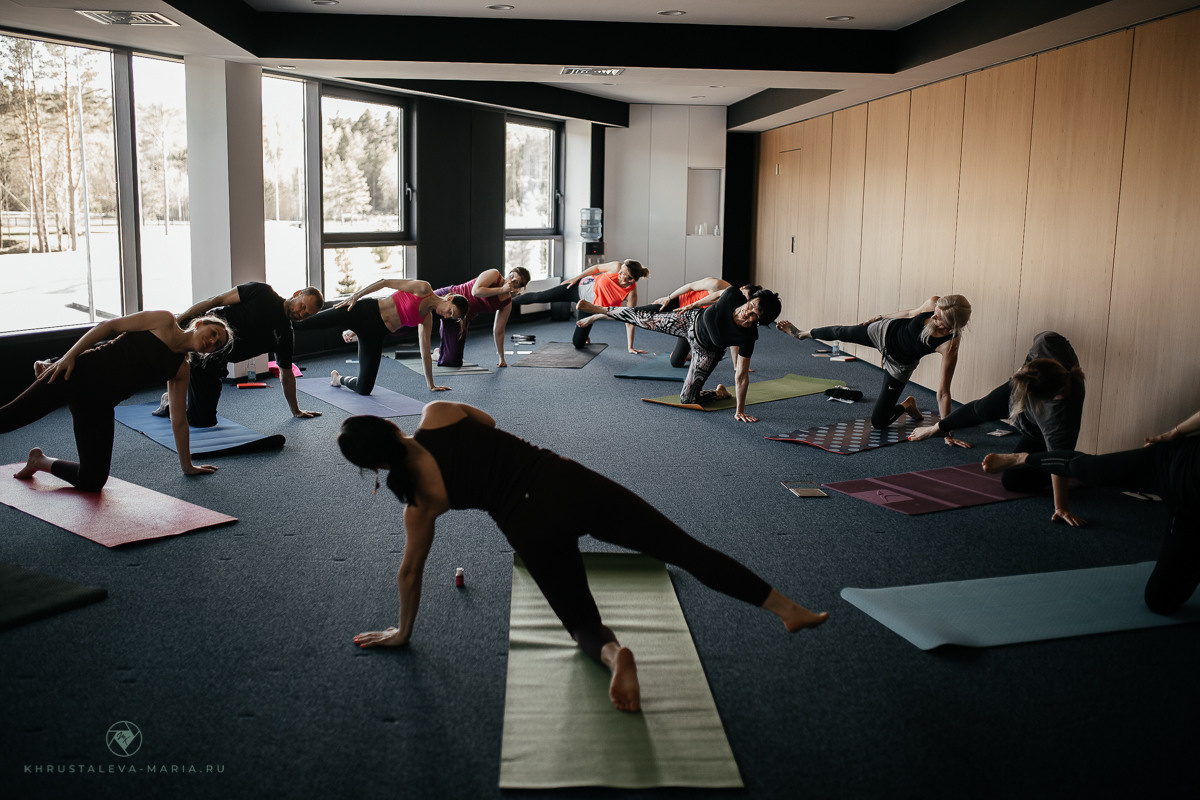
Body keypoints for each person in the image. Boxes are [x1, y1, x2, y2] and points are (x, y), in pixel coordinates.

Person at [337, 401, 828, 712]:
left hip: (529, 526)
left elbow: (410, 573)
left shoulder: (420, 504)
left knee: (582, 624)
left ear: (375, 467)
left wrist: (403, 632)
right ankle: (789, 610)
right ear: (387, 423)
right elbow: (489, 422)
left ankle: (615, 656)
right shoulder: (438, 413)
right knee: (685, 550)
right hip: (569, 482)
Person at [982, 407, 1200, 614]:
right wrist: (1176, 432)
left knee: (1160, 601)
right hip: (1174, 462)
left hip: (1190, 507)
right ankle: (1023, 458)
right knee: (1090, 468)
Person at [5, 311, 233, 490]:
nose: (212, 341)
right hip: (74, 376)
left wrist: (187, 466)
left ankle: (39, 461)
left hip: (99, 406)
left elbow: (179, 420)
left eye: (217, 344)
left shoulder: (180, 369)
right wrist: (68, 357)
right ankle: (49, 362)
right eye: (213, 333)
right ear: (200, 324)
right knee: (8, 419)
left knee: (92, 481)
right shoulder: (164, 321)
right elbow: (109, 326)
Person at [910, 331, 1087, 526]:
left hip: (1038, 435)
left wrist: (1061, 507)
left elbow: (1058, 458)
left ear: (1038, 399)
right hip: (1028, 381)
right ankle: (938, 428)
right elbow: (1044, 336)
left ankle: (1078, 466)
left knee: (1013, 481)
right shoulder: (1049, 345)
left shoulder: (1059, 419)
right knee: (983, 407)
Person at [577, 286, 781, 422]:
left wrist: (740, 410)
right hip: (690, 321)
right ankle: (601, 310)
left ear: (759, 322)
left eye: (755, 315)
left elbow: (742, 375)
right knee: (643, 318)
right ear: (750, 299)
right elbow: (715, 295)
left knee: (688, 398)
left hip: (707, 351)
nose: (748, 312)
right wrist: (693, 304)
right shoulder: (733, 295)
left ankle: (719, 392)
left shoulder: (748, 336)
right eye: (751, 306)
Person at [777, 294, 972, 429]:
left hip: (899, 366)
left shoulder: (949, 344)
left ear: (950, 326)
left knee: (879, 422)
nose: (933, 316)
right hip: (884, 332)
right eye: (935, 311)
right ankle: (802, 334)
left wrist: (944, 429)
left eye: (938, 319)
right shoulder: (933, 303)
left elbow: (944, 391)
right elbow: (910, 313)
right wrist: (880, 317)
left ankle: (908, 404)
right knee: (842, 332)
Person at [153, 282, 325, 426]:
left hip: (216, 364)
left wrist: (296, 410)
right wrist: (179, 321)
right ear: (297, 294)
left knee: (204, 421)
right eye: (302, 306)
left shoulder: (285, 335)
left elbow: (286, 375)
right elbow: (216, 300)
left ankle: (169, 401)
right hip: (203, 340)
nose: (301, 313)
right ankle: (180, 388)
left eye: (306, 314)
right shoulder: (262, 292)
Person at [295, 279, 468, 394]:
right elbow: (385, 282)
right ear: (449, 298)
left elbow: (425, 353)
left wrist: (431, 385)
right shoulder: (423, 288)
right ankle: (277, 320)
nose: (446, 316)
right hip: (363, 312)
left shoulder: (427, 319)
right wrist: (357, 295)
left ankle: (337, 379)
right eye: (450, 311)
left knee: (364, 388)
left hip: (375, 334)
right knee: (306, 323)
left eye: (450, 317)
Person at [511, 259, 649, 352]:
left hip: (588, 307)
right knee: (540, 297)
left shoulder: (630, 293)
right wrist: (576, 278)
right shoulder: (616, 266)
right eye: (620, 271)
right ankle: (508, 300)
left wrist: (630, 347)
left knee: (578, 344)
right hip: (576, 288)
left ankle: (584, 335)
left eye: (623, 274)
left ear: (630, 279)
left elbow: (629, 320)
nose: (619, 274)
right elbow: (596, 268)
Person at [432, 267, 530, 368]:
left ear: (518, 288)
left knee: (453, 362)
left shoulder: (506, 304)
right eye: (511, 276)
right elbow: (476, 291)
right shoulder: (494, 274)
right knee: (419, 311)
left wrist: (501, 357)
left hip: (460, 318)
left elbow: (499, 331)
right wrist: (501, 290)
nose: (510, 281)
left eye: (516, 282)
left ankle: (438, 352)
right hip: (449, 300)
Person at [637, 277, 732, 367]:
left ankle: (685, 355)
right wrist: (668, 298)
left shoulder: (734, 309)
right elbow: (690, 286)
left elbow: (735, 337)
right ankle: (623, 311)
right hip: (682, 303)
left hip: (691, 322)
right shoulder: (717, 284)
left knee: (676, 362)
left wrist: (737, 366)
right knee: (644, 312)